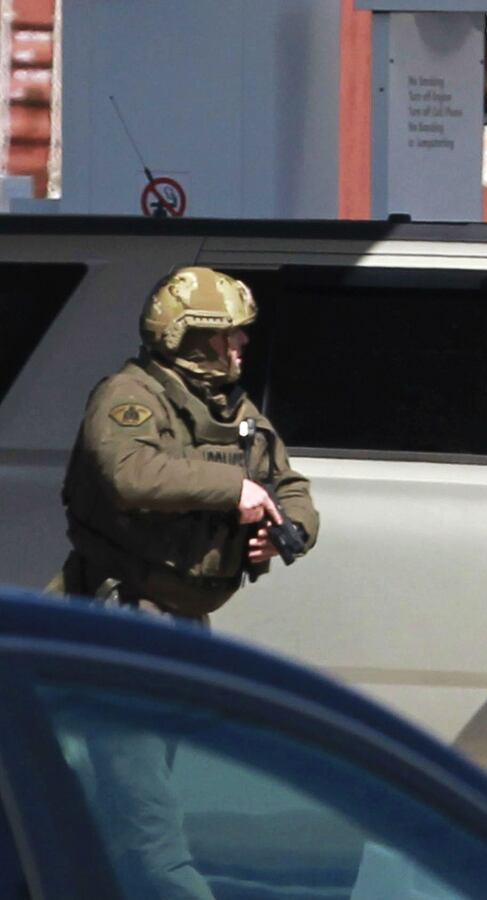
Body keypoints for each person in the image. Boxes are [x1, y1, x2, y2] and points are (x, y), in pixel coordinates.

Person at [48, 266, 319, 899]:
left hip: (181, 623)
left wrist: (286, 530)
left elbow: (291, 486)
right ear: (187, 338)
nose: (240, 347)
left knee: (137, 802)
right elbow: (130, 473)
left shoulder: (232, 410)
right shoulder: (130, 396)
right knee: (147, 823)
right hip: (123, 620)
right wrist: (235, 490)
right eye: (227, 336)